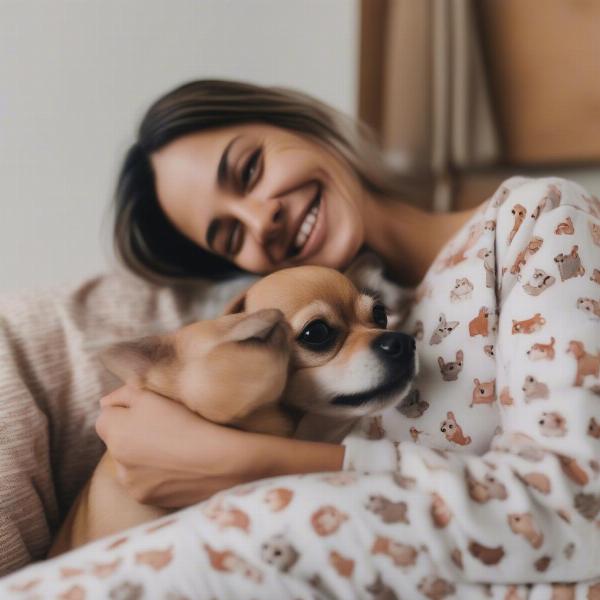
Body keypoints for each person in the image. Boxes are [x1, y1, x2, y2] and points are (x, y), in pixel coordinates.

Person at [1, 80, 599, 598]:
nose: (263, 221)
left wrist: (245, 466)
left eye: (250, 169)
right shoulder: (278, 362)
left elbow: (578, 506)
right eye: (230, 236)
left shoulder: (535, 220)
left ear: (298, 121)